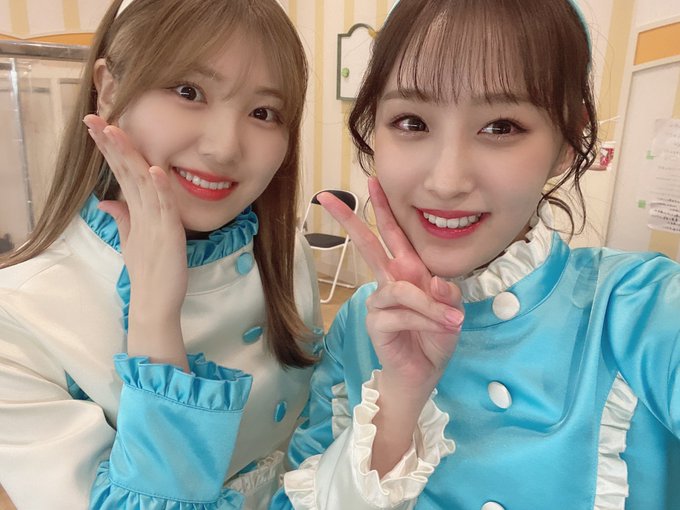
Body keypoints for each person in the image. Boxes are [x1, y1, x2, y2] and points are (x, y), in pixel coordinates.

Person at [272, 0, 680, 509]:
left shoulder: (642, 311)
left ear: (567, 141)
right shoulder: (358, 326)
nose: (447, 182)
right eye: (412, 122)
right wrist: (398, 404)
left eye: (501, 127)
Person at [0, 0, 321, 508]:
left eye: (263, 112)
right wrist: (154, 320)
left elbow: (311, 448)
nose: (224, 148)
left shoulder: (283, 253)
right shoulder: (17, 317)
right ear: (108, 89)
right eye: (188, 91)